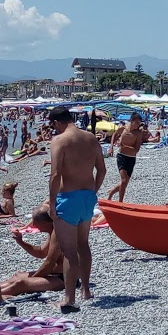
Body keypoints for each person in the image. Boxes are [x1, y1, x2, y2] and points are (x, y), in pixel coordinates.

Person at [47, 106, 107, 313]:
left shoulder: (59, 140)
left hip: (68, 199)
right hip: (87, 197)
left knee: (69, 252)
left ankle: (69, 299)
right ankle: (87, 291)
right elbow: (102, 169)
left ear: (56, 123)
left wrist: (52, 203)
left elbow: (55, 176)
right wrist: (93, 191)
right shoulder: (90, 138)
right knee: (83, 244)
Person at [2, 205, 66, 295]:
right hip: (54, 273)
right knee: (17, 277)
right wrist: (20, 242)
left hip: (65, 278)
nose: (34, 225)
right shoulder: (52, 232)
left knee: (20, 284)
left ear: (44, 223)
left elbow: (49, 264)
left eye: (36, 222)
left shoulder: (58, 234)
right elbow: (40, 252)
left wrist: (32, 279)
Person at [106, 112, 148, 201]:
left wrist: (124, 146)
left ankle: (111, 192)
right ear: (131, 121)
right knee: (124, 181)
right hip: (121, 157)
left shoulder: (138, 133)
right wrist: (111, 147)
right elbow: (114, 134)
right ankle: (120, 202)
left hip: (131, 158)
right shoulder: (123, 129)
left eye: (139, 123)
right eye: (136, 123)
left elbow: (136, 149)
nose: (138, 125)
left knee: (124, 183)